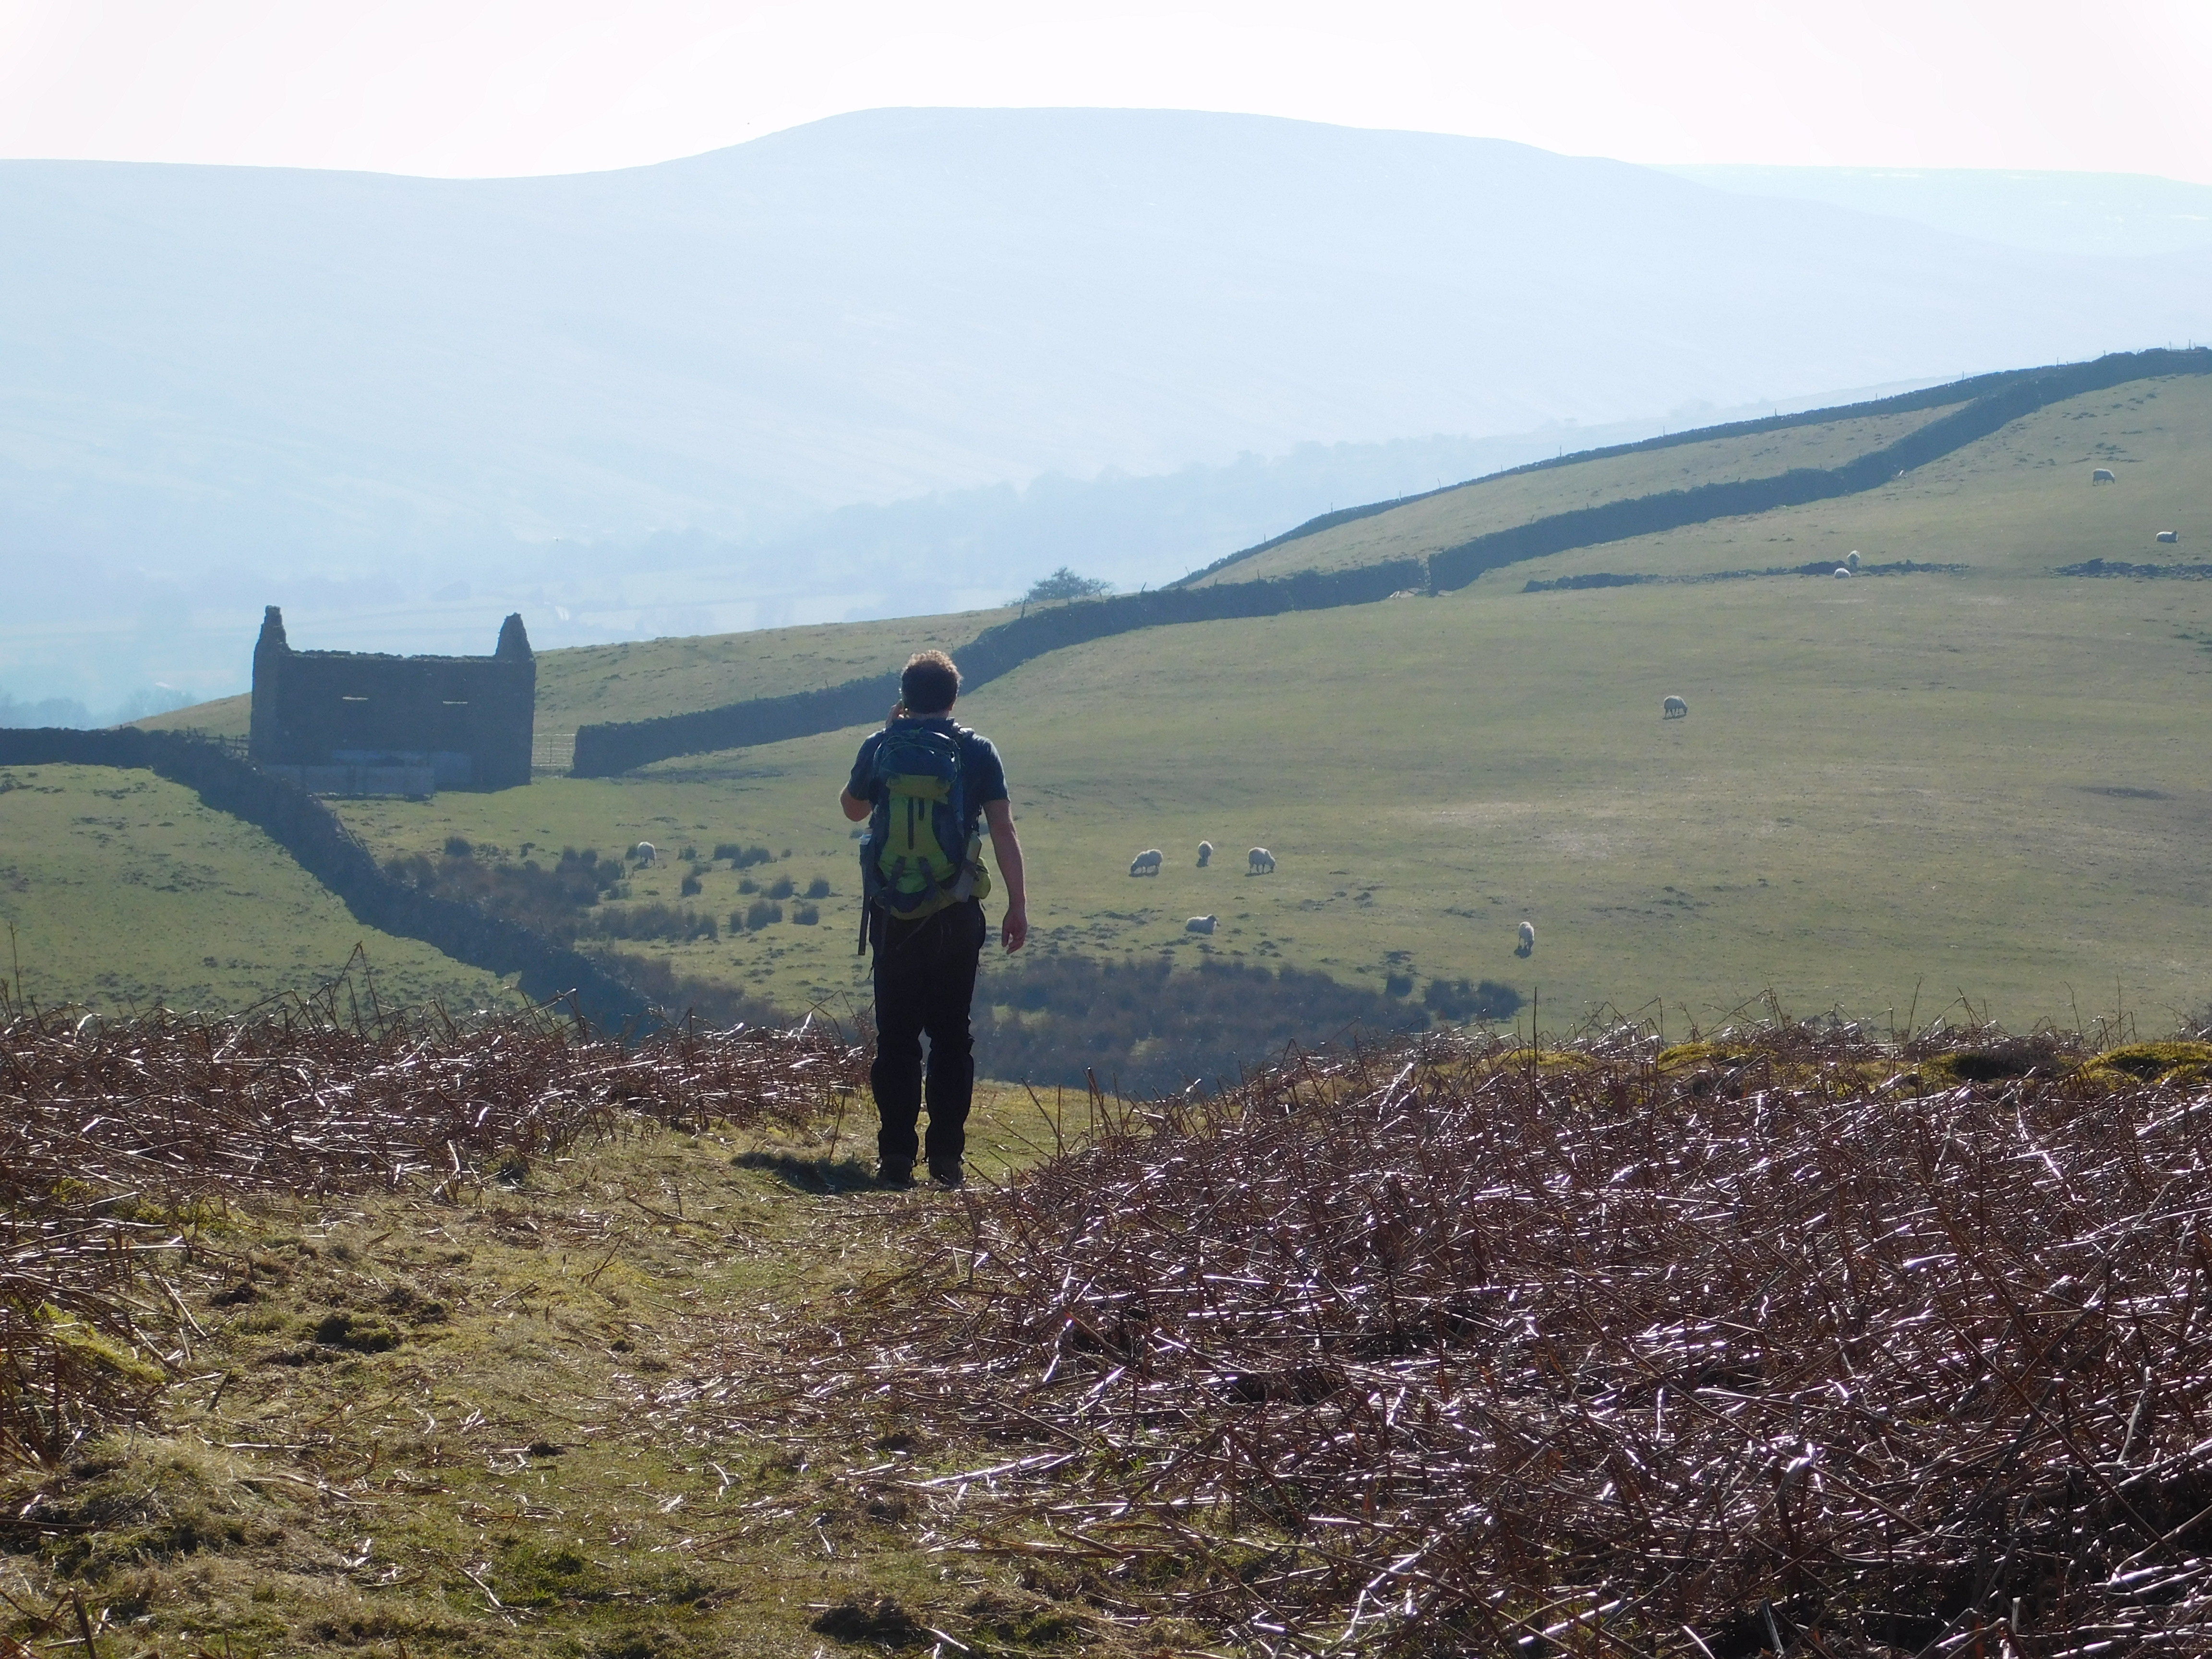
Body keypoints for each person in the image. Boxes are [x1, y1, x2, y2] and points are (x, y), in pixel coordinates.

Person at [840, 650, 1028, 1188]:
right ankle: (946, 1158)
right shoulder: (976, 751)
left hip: (894, 912)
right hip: (955, 911)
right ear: (953, 698)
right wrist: (1018, 903)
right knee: (952, 1036)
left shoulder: (881, 747)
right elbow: (1003, 830)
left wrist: (884, 738)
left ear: (905, 696)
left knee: (896, 1036)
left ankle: (895, 1156)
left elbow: (853, 810)